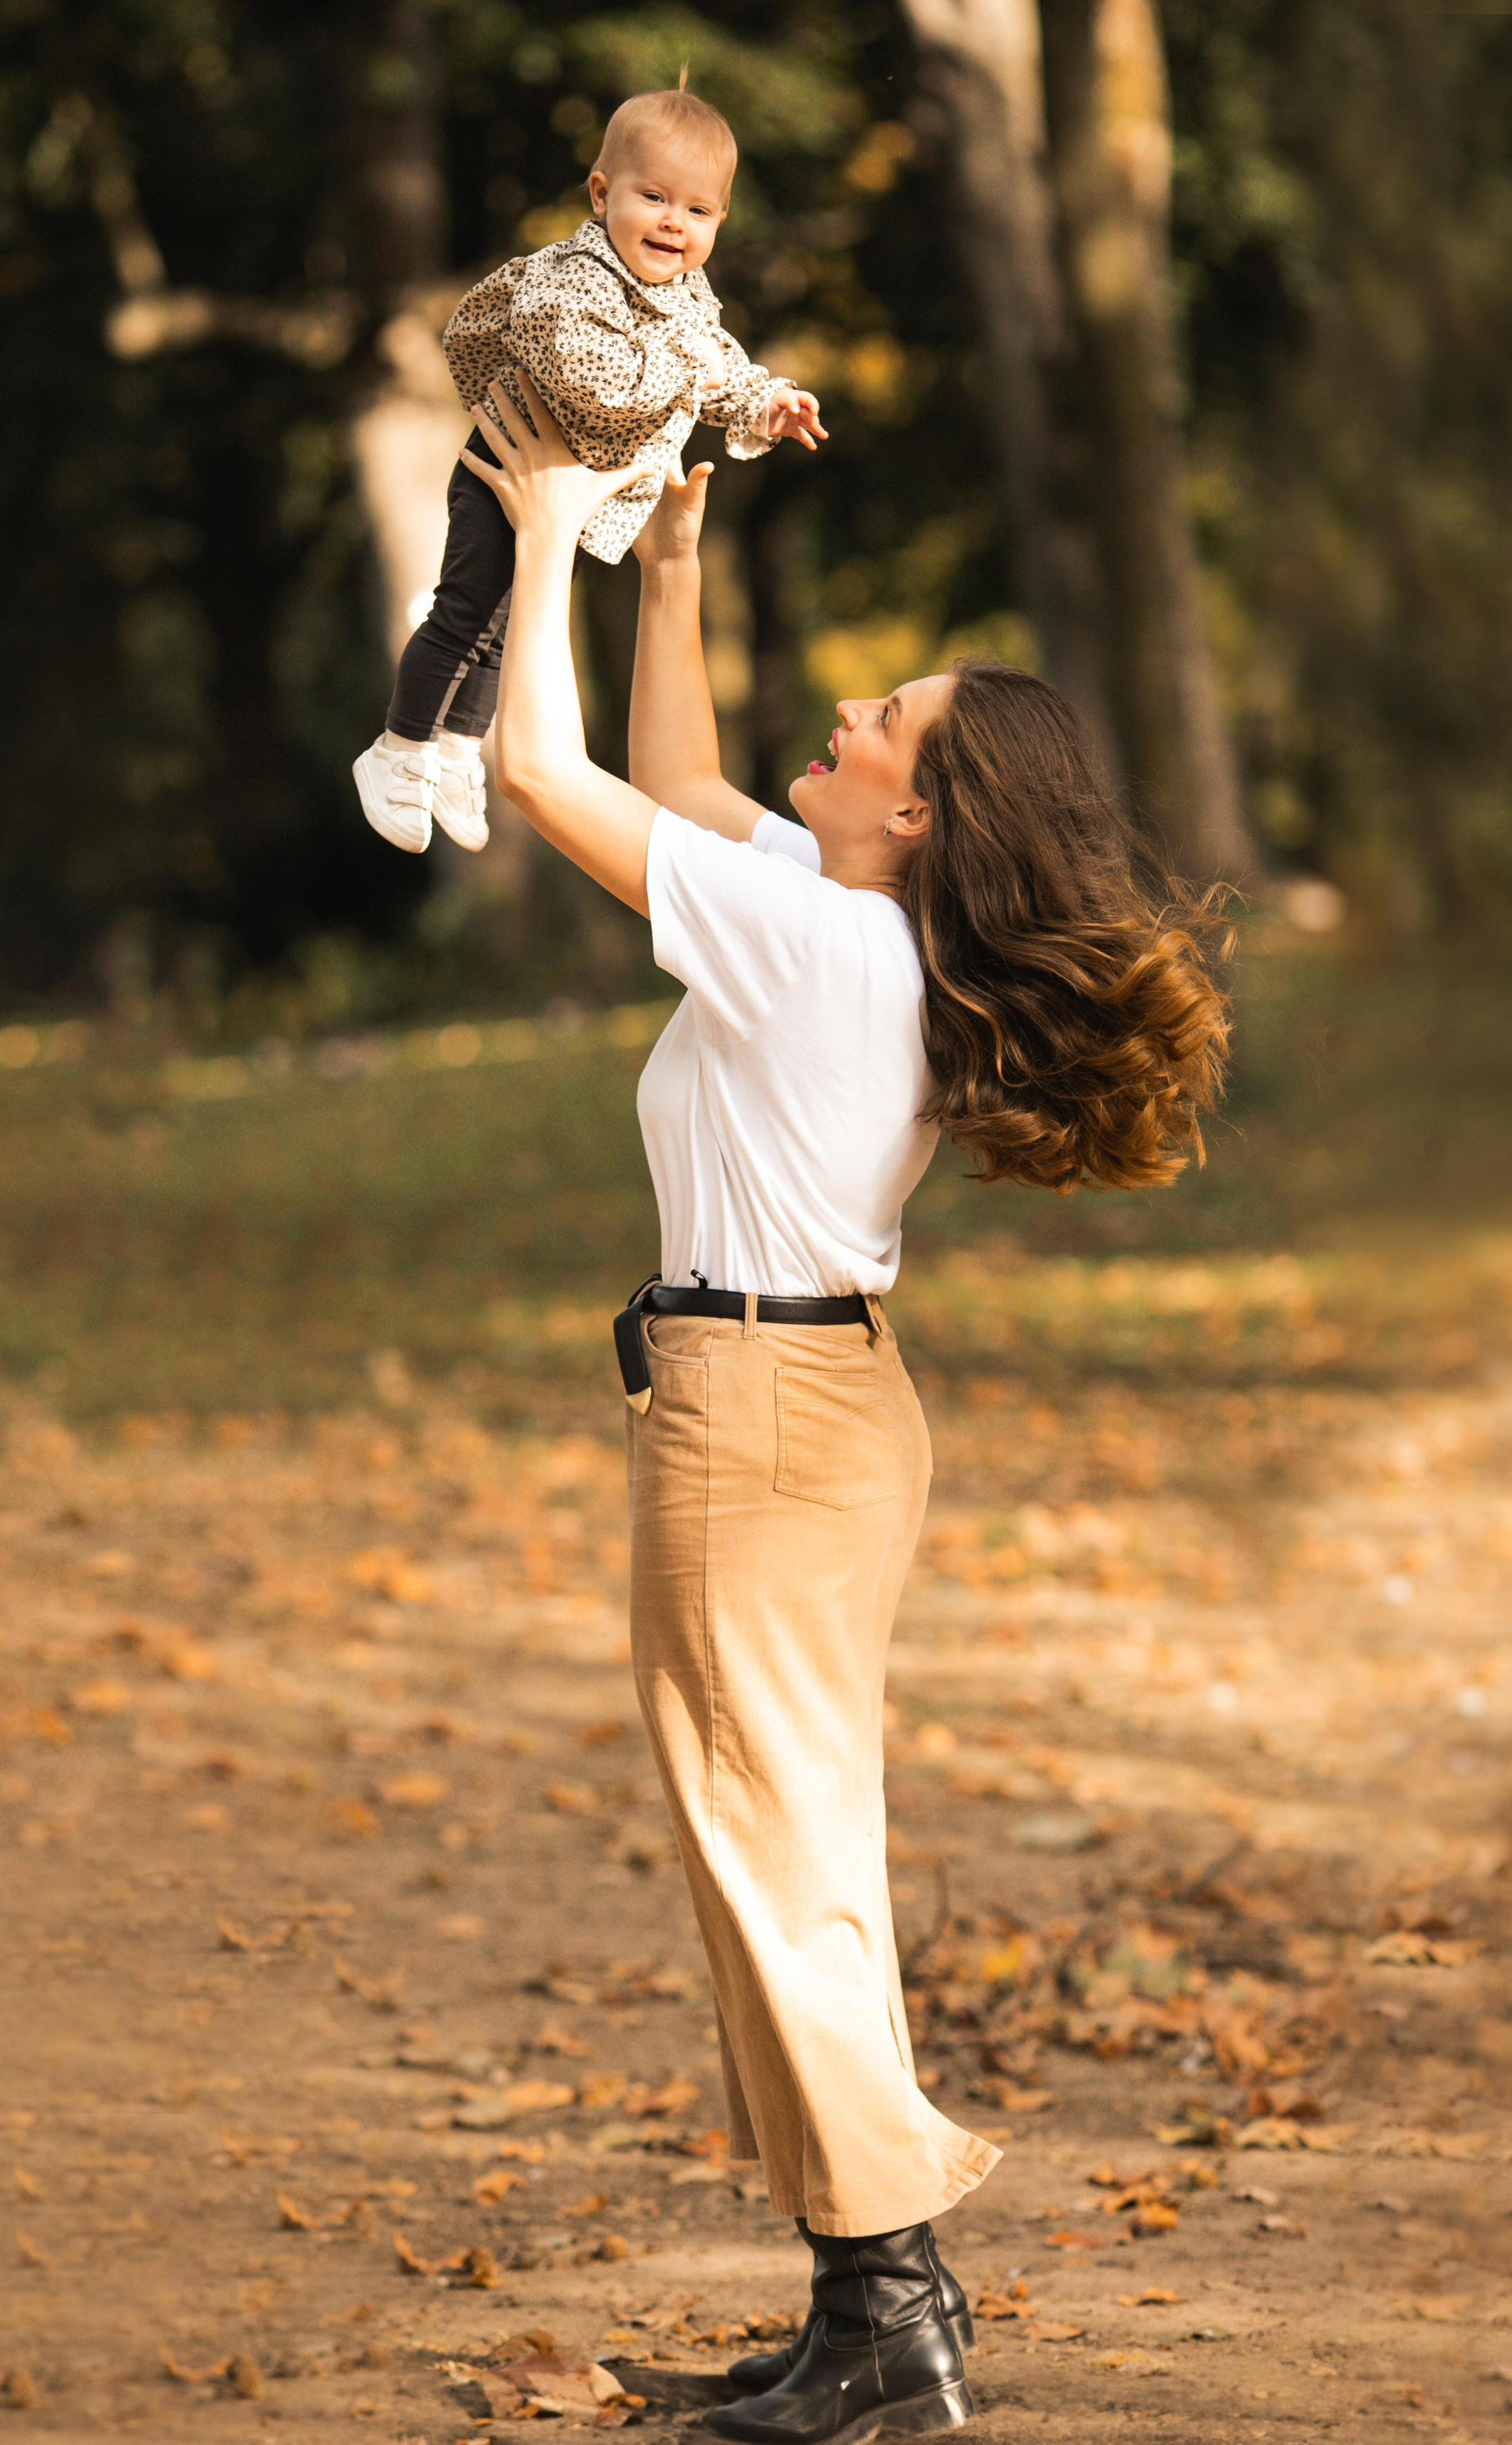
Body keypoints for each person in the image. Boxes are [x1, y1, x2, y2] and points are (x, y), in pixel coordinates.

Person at [463, 372, 1231, 2445]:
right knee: (776, 1843)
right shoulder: (836, 931)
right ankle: (858, 2309)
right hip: (797, 1401)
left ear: (916, 816)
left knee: (771, 1846)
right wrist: (672, 568)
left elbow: (538, 773)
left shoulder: (822, 955)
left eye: (882, 723)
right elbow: (670, 768)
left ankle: (891, 2317)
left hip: (763, 1407)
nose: (847, 722)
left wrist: (542, 528)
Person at [351, 73, 824, 858]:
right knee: (466, 613)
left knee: (510, 631)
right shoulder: (568, 280)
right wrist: (685, 375)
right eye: (655, 198)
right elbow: (588, 373)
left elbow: (721, 367)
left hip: (563, 498)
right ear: (602, 194)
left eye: (698, 211)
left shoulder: (686, 297)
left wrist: (763, 402)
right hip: (505, 474)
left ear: (719, 222)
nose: (675, 224)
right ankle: (398, 750)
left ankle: (460, 754)